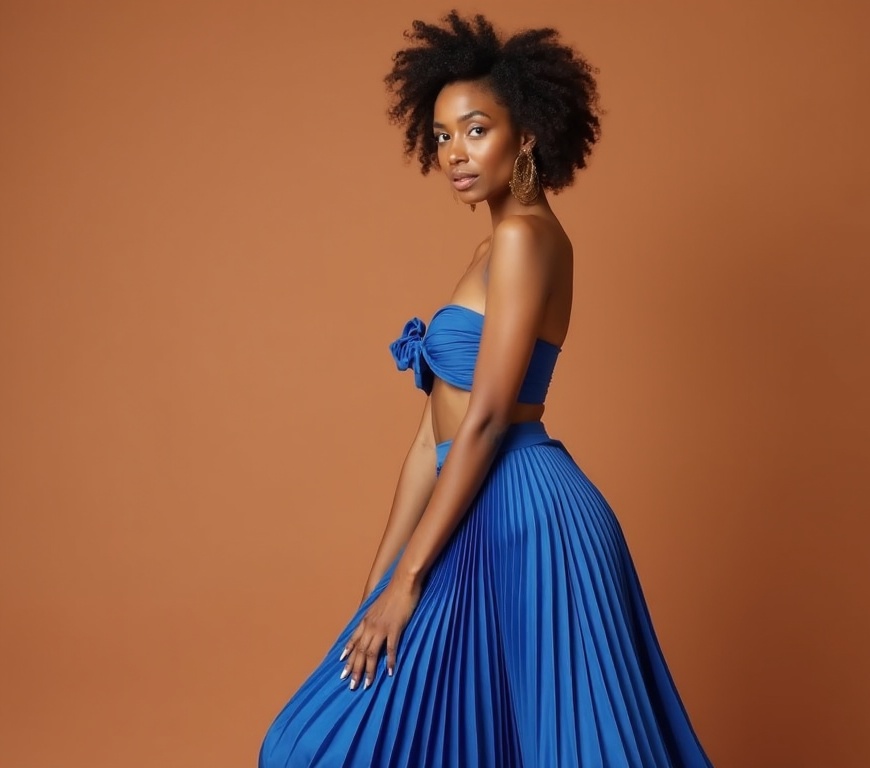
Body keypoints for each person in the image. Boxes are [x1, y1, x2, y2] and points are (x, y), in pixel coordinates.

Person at [258, 11, 713, 768]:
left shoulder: (525, 238)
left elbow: (492, 413)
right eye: (441, 136)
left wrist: (409, 581)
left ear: (526, 134)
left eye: (475, 130)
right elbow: (431, 434)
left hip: (532, 520)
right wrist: (379, 583)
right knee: (323, 742)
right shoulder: (492, 242)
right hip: (472, 508)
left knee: (571, 749)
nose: (455, 154)